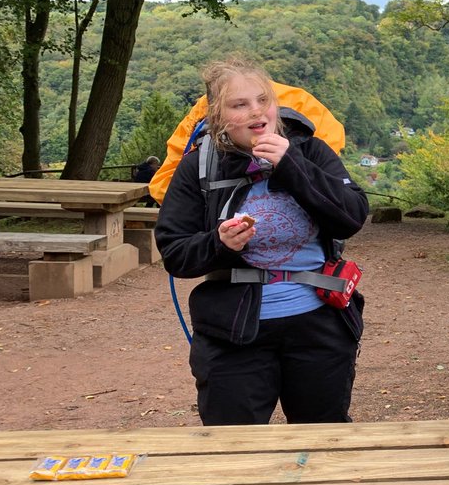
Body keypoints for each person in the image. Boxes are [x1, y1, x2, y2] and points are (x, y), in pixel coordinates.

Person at [156, 57, 369, 426]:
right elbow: (176, 255)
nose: (257, 112)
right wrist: (221, 244)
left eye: (263, 100)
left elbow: (351, 217)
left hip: (318, 325)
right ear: (219, 116)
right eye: (240, 105)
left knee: (321, 440)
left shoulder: (312, 151)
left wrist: (292, 165)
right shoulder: (198, 167)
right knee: (233, 447)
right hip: (233, 332)